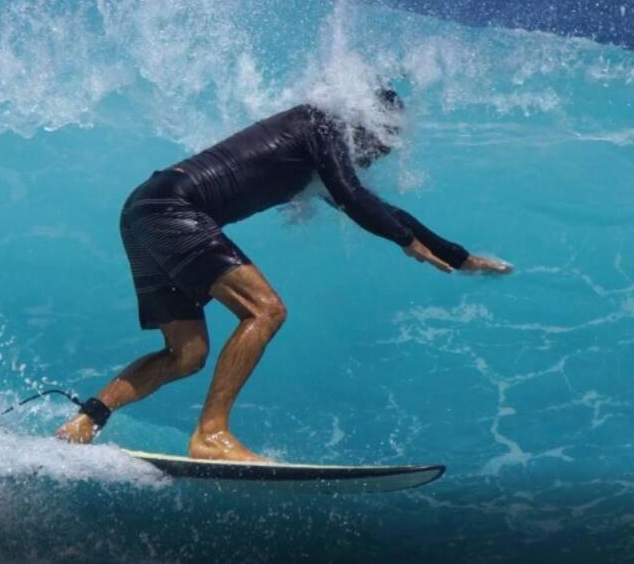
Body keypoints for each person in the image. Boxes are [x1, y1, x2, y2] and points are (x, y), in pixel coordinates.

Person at [55, 90, 511, 462]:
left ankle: (85, 421)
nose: (379, 153)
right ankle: (211, 434)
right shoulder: (321, 124)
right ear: (366, 122)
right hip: (174, 209)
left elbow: (376, 206)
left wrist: (460, 257)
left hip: (142, 210)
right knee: (266, 311)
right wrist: (404, 243)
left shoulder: (312, 153)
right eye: (381, 142)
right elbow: (354, 197)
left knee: (186, 354)